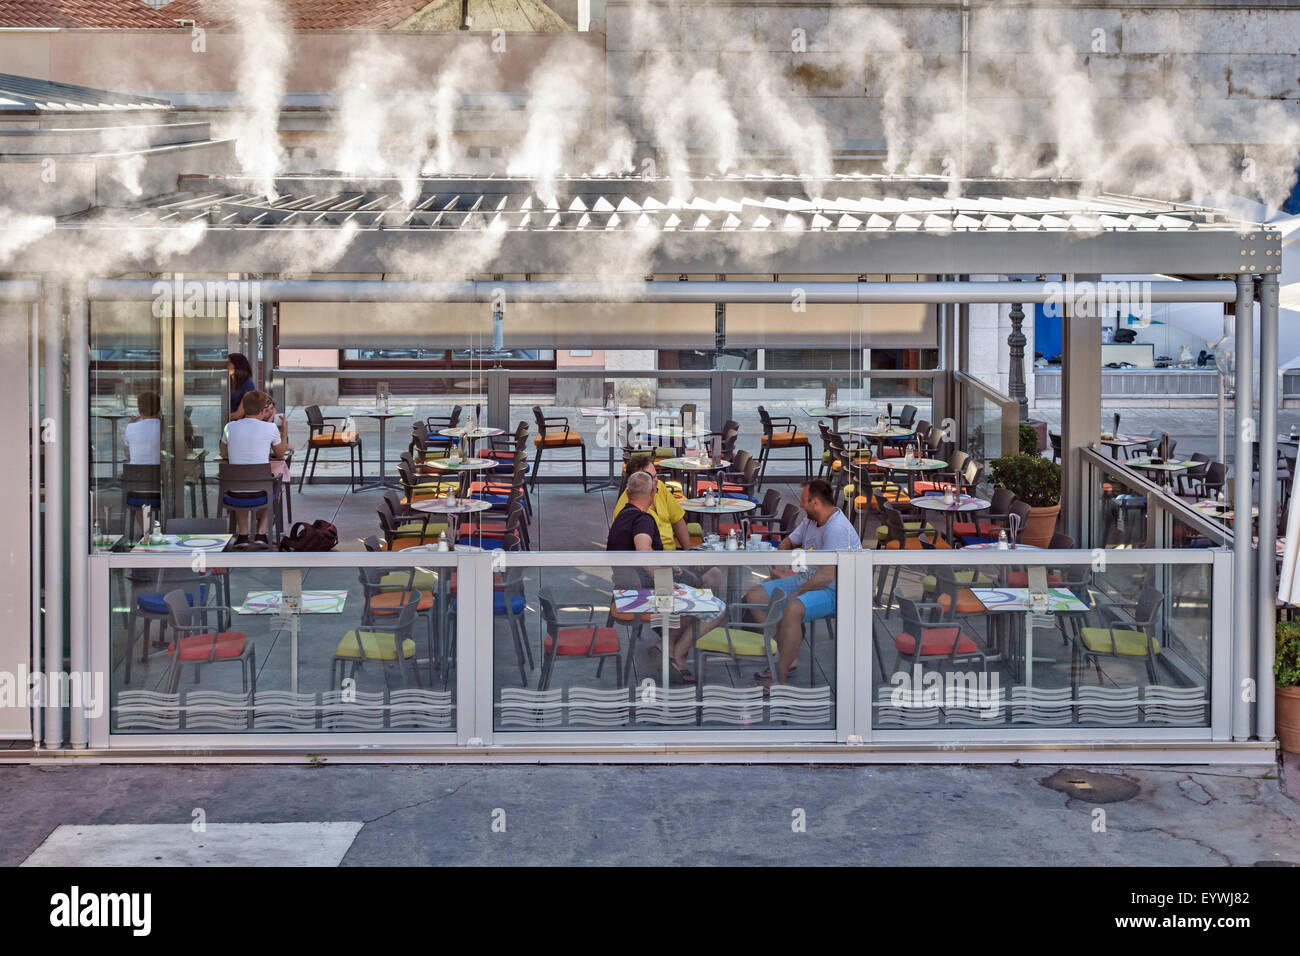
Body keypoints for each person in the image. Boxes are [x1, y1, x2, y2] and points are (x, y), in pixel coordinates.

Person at [742, 479, 860, 687]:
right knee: (755, 596)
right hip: (809, 578)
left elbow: (826, 576)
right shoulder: (811, 520)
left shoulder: (837, 529)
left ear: (815, 502)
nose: (800, 505)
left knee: (792, 607)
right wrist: (780, 565)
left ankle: (779, 677)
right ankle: (787, 651)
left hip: (840, 591)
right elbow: (789, 542)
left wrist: (795, 592)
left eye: (804, 501)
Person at [606, 471, 696, 684]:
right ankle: (670, 649)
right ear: (654, 494)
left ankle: (668, 645)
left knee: (691, 583)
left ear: (627, 493)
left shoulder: (622, 517)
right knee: (699, 602)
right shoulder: (644, 520)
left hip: (623, 589)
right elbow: (644, 552)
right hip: (641, 596)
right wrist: (665, 581)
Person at [612, 453, 724, 592]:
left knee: (714, 574)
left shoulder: (657, 490)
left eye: (655, 475)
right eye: (651, 477)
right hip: (654, 572)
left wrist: (688, 553)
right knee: (710, 581)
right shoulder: (640, 517)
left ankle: (694, 610)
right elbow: (644, 551)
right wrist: (663, 580)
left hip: (668, 560)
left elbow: (677, 519)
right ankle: (694, 611)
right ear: (637, 480)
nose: (656, 481)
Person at [221, 390, 291, 549]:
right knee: (275, 485)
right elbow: (280, 453)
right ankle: (261, 533)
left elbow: (223, 452)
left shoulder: (229, 427)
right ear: (262, 410)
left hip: (234, 493)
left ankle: (243, 535)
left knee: (240, 482)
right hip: (262, 493)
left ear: (244, 408)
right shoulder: (271, 428)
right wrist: (284, 430)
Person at [123, 390, 161, 465]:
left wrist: (130, 424)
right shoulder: (164, 427)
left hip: (137, 474)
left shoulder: (130, 427)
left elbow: (128, 456)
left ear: (139, 410)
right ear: (159, 409)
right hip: (159, 474)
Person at [227, 353, 256, 421]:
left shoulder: (248, 384)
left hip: (241, 423)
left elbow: (239, 414)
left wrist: (218, 417)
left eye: (229, 364)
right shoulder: (229, 381)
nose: (226, 366)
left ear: (237, 366)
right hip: (229, 420)